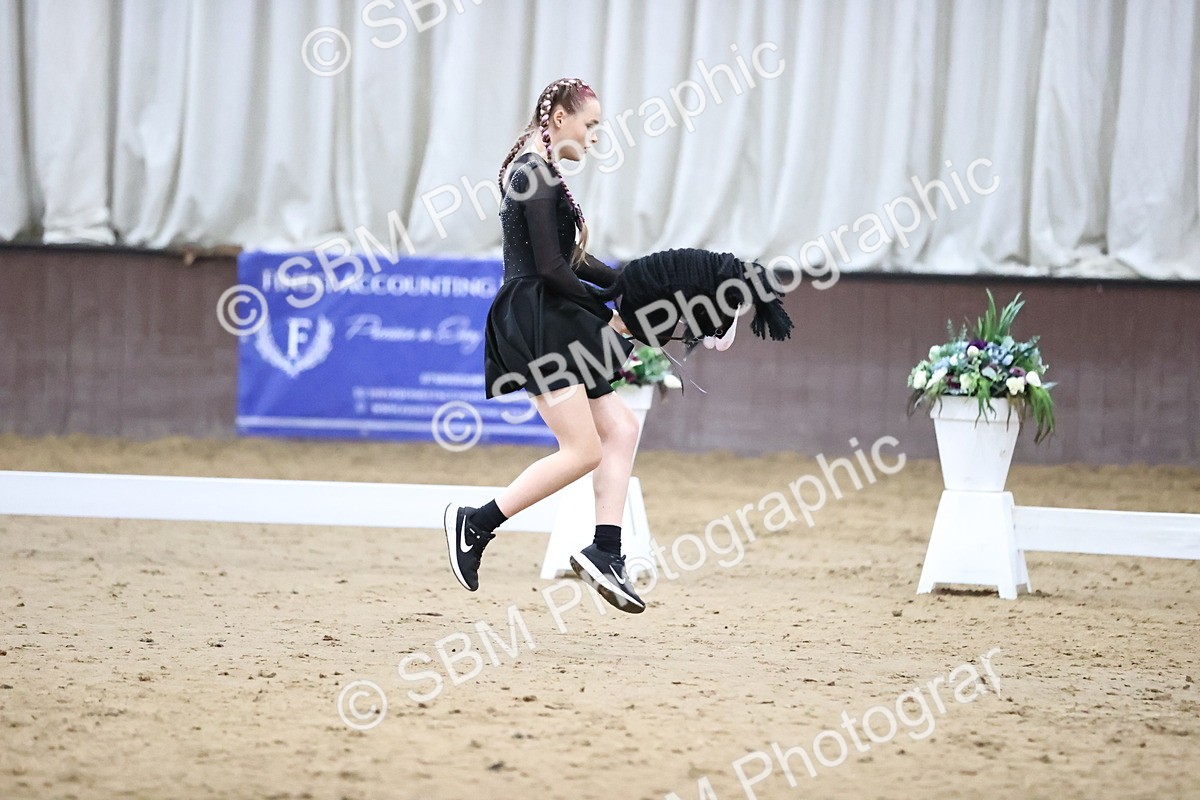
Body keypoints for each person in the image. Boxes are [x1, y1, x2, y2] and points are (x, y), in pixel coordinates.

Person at [442, 77, 646, 613]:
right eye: (590, 124)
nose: (595, 135)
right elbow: (553, 268)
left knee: (621, 428)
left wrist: (629, 281)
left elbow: (568, 261)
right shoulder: (533, 174)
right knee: (583, 450)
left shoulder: (541, 171)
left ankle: (606, 551)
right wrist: (609, 302)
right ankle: (477, 522)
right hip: (538, 321)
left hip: (550, 313)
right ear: (558, 117)